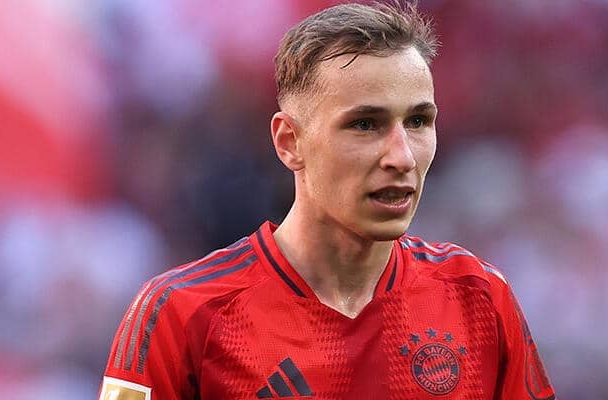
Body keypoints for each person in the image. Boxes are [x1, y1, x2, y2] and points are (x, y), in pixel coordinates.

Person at [98, 2, 555, 399]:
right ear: (289, 142)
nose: (401, 156)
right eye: (365, 124)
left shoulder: (479, 297)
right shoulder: (179, 315)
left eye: (418, 121)